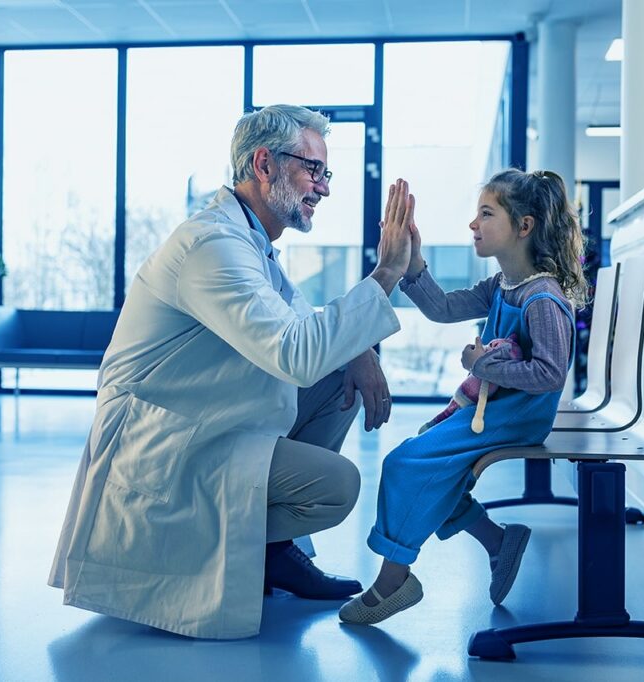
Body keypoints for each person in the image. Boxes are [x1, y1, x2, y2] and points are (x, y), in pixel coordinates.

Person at [49, 105, 416, 639]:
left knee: (341, 377)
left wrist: (357, 350)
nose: (324, 189)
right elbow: (295, 353)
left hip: (208, 422)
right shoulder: (212, 246)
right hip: (164, 444)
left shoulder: (252, 242)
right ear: (264, 163)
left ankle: (271, 553)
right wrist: (385, 274)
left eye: (325, 173)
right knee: (337, 487)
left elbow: (299, 324)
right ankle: (237, 546)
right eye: (313, 170)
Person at [339, 168, 588, 625]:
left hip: (518, 415)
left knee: (406, 463)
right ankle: (497, 542)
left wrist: (481, 364)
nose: (473, 225)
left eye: (486, 214)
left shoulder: (542, 297)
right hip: (494, 409)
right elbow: (443, 309)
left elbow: (550, 375)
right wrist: (413, 261)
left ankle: (394, 580)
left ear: (524, 226)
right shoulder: (503, 287)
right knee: (428, 458)